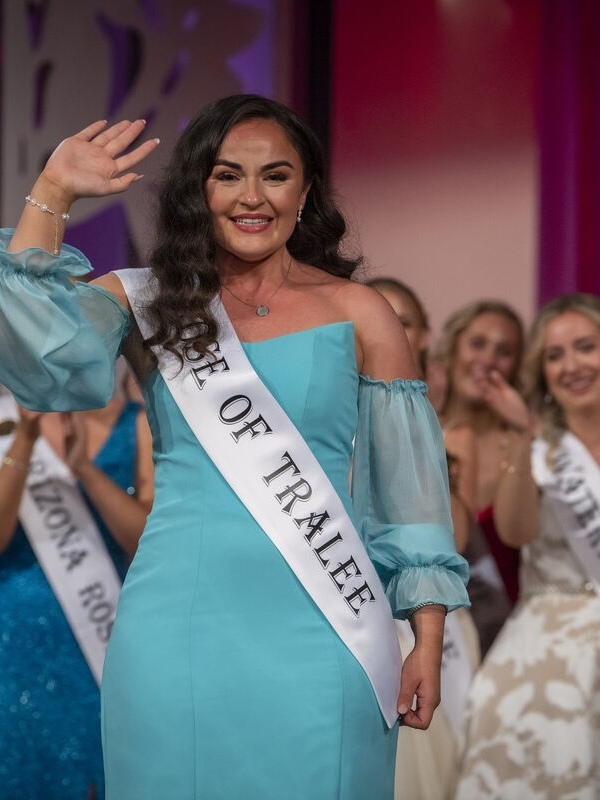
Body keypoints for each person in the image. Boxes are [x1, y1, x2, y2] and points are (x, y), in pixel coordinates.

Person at [0, 95, 470, 800]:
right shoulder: (147, 300)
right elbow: (37, 354)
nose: (253, 197)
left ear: (306, 190)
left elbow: (408, 493)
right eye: (228, 175)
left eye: (275, 175)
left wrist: (426, 634)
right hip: (176, 630)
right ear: (199, 190)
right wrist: (53, 190)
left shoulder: (360, 311)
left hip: (326, 631)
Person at [455, 292, 600, 799]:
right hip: (545, 644)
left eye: (586, 347)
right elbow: (515, 532)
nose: (572, 365)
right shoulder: (539, 447)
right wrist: (523, 435)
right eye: (555, 356)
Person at [0, 364, 153, 800]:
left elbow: (146, 543)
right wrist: (25, 440)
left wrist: (85, 469)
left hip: (105, 637)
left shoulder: (140, 422)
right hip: (17, 647)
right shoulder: (5, 423)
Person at [369, 276, 480, 800]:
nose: (388, 331)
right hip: (358, 614)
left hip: (432, 622)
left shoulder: (448, 428)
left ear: (427, 335)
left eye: (403, 322)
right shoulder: (326, 420)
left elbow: (455, 535)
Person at [435, 300, 538, 656]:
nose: (489, 359)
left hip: (509, 637)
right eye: (478, 344)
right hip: (436, 631)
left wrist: (525, 431)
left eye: (504, 351)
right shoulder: (420, 432)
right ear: (452, 347)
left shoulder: (528, 443)